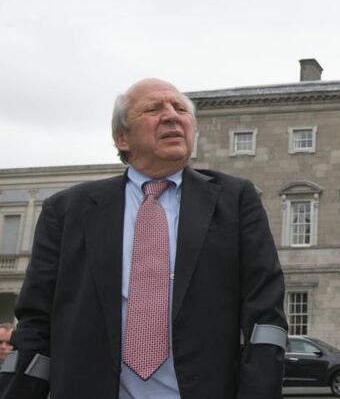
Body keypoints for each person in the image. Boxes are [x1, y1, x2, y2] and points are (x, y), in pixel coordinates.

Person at [1, 78, 288, 399]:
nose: (172, 115)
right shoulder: (67, 210)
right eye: (153, 109)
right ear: (122, 138)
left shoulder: (235, 199)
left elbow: (265, 313)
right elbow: (35, 326)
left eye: (180, 108)